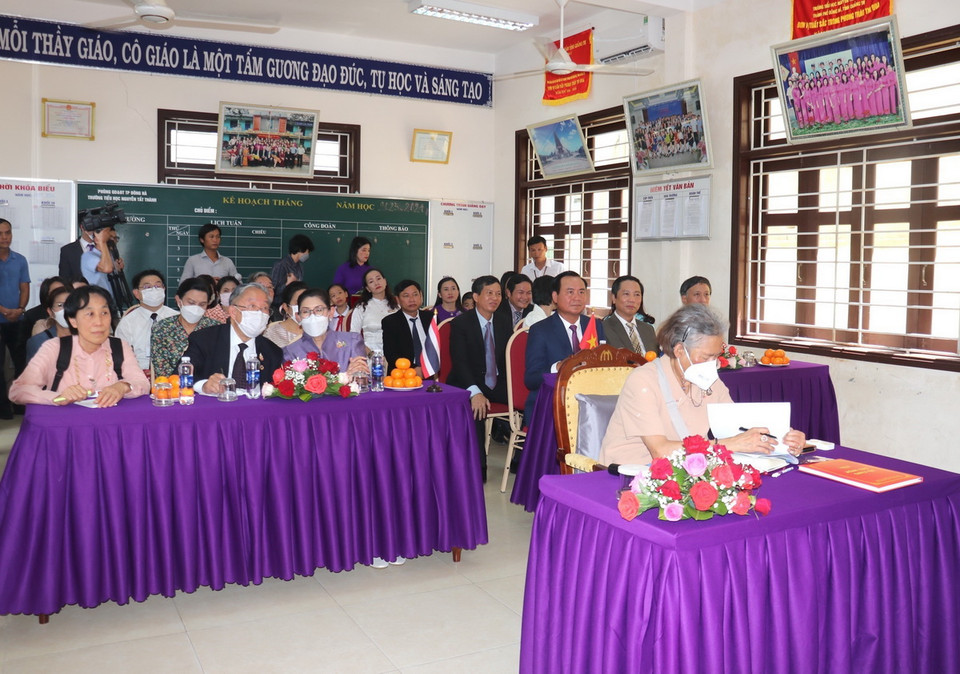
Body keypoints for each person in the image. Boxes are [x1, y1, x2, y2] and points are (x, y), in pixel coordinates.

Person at [599, 304, 806, 466]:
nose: (712, 365)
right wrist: (732, 444)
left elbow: (739, 423)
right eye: (706, 357)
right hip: (631, 475)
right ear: (679, 350)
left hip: (687, 468)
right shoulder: (643, 381)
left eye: (716, 356)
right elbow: (659, 451)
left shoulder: (705, 378)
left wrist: (781, 436)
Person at [9, 286, 149, 407]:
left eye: (104, 313)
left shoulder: (119, 346)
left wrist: (123, 386)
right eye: (89, 314)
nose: (98, 322)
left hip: (109, 425)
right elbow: (19, 391)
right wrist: (56, 397)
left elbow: (142, 383)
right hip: (66, 428)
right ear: (73, 320)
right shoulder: (54, 348)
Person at [447, 276, 512, 483]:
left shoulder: (503, 320)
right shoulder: (460, 323)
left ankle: (520, 461)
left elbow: (505, 359)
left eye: (498, 293)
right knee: (477, 406)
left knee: (531, 401)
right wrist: (475, 392)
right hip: (468, 381)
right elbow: (460, 362)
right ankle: (478, 468)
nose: (495, 298)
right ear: (476, 297)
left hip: (496, 381)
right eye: (489, 293)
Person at [524, 271, 605, 420]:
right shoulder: (540, 330)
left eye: (581, 292)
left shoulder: (595, 326)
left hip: (591, 402)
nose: (577, 297)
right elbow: (531, 379)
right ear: (555, 297)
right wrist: (558, 367)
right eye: (570, 292)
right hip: (553, 405)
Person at [184, 282, 284, 395]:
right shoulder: (204, 340)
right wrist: (203, 386)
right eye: (252, 306)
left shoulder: (272, 351)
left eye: (265, 308)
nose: (259, 313)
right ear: (233, 311)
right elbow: (180, 376)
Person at [282, 288, 368, 376]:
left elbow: (362, 378)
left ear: (331, 312)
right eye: (305, 311)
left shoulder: (352, 341)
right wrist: (345, 377)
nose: (313, 316)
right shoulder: (291, 351)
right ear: (298, 317)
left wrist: (355, 375)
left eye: (319, 310)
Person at [150, 277, 219, 377]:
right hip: (173, 387)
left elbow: (220, 366)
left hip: (208, 388)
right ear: (179, 300)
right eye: (191, 303)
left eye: (202, 304)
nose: (196, 308)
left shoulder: (215, 328)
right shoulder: (162, 328)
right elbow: (162, 370)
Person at [115, 269, 179, 374]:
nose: (154, 290)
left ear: (164, 289)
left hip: (172, 375)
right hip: (138, 374)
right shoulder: (127, 322)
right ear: (137, 293)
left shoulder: (177, 318)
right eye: (147, 287)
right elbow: (121, 356)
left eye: (158, 286)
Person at [0, 218, 30, 418]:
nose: (5, 237)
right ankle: (3, 410)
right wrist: (4, 310)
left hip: (17, 320)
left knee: (22, 364)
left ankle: (20, 406)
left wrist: (19, 309)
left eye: (8, 232)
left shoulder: (19, 259)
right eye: (0, 234)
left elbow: (24, 287)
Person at [381, 279, 438, 375]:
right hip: (403, 375)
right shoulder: (390, 322)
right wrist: (413, 369)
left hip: (431, 373)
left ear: (421, 296)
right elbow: (391, 355)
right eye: (406, 296)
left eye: (415, 294)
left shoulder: (430, 318)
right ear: (398, 299)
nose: (412, 299)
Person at [602, 275, 657, 355]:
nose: (632, 300)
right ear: (614, 298)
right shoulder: (603, 328)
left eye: (637, 295)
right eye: (626, 294)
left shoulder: (648, 329)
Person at [349, 268, 398, 355]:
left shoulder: (396, 306)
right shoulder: (361, 307)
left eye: (378, 279)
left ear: (385, 281)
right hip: (370, 354)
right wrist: (371, 355)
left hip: (395, 354)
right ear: (368, 288)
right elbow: (354, 336)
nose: (376, 283)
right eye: (371, 281)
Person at [26, 285, 72, 363]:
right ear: (50, 312)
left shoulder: (89, 338)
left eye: (71, 303)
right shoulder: (39, 341)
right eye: (60, 305)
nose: (66, 310)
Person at [270, 234, 314, 313]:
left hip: (295, 307)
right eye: (307, 251)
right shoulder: (281, 265)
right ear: (301, 249)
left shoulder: (299, 267)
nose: (308, 254)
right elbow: (273, 290)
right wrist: (288, 284)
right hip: (279, 308)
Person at [263, 281, 307, 348]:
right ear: (285, 307)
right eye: (298, 303)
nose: (303, 307)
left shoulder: (317, 331)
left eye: (306, 302)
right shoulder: (270, 333)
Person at [80, 225, 116, 297]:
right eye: (110, 237)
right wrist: (102, 242)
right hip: (95, 301)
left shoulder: (109, 256)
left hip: (109, 301)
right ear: (96, 239)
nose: (113, 241)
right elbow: (107, 268)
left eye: (115, 238)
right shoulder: (89, 256)